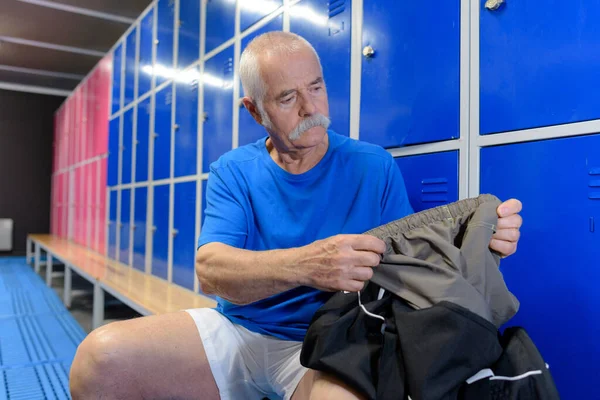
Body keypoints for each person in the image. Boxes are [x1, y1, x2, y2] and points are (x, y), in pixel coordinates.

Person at [69, 32, 523, 400]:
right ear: (254, 110)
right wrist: (308, 264)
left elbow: (409, 271)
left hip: (332, 341)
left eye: (317, 88)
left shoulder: (373, 165)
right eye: (287, 98)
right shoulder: (234, 170)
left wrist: (477, 243)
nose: (311, 110)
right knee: (99, 360)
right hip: (239, 331)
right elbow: (211, 272)